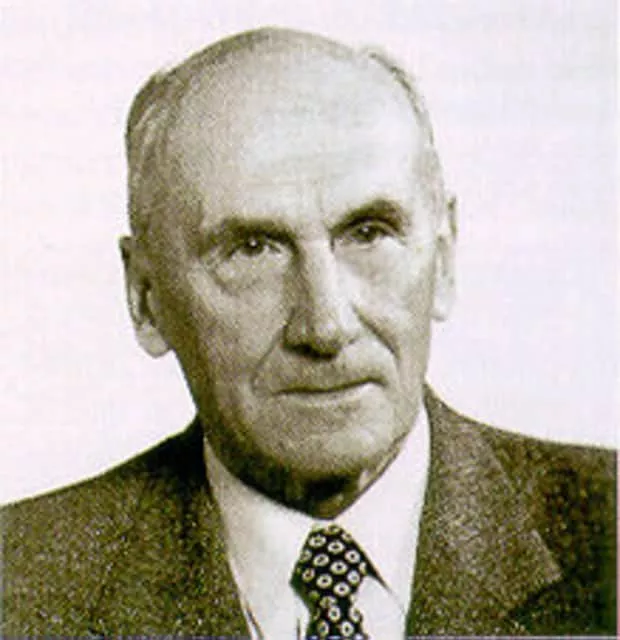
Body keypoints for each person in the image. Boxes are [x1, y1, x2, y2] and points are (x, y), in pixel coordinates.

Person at [1, 27, 615, 638]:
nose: (326, 326)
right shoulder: (18, 586)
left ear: (444, 257)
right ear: (146, 296)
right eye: (252, 249)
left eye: (369, 233)